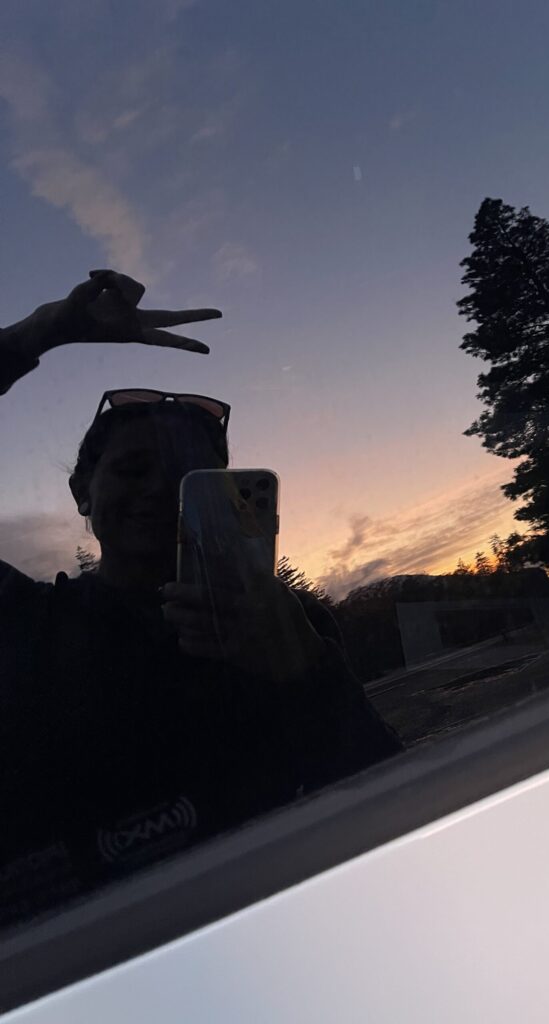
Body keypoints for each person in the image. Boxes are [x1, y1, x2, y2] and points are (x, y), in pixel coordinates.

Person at [0, 271, 401, 923]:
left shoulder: (286, 631)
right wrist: (35, 335)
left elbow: (390, 814)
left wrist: (310, 676)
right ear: (82, 492)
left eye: (191, 478)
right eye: (132, 469)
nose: (160, 490)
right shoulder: (20, 627)